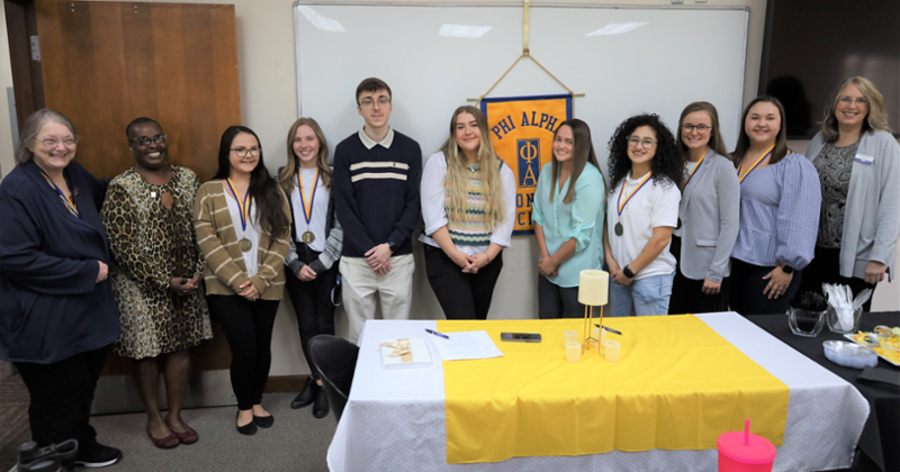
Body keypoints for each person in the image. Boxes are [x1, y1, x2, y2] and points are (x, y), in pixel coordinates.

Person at [0, 109, 122, 468]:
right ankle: (49, 459)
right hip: (44, 317)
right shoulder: (17, 190)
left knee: (81, 388)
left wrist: (144, 179)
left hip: (86, 313)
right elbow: (15, 259)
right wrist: (86, 271)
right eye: (50, 140)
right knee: (56, 397)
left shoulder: (72, 174)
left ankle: (80, 445)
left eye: (68, 139)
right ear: (29, 144)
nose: (61, 147)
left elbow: (104, 189)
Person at [101, 117, 212, 448]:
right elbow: (120, 244)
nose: (152, 145)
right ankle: (153, 417)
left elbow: (204, 227)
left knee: (180, 346)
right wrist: (163, 281)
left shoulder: (188, 179)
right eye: (143, 141)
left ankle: (175, 415)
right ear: (131, 146)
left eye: (157, 138)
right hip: (140, 286)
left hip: (187, 280)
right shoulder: (122, 187)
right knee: (146, 352)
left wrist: (197, 273)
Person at [194, 126, 291, 435]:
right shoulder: (209, 191)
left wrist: (260, 281)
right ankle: (244, 407)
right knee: (245, 347)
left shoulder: (272, 189)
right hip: (225, 286)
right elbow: (206, 240)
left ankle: (258, 401)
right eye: (240, 149)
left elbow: (283, 237)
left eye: (254, 149)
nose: (248, 155)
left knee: (262, 346)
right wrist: (238, 281)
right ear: (227, 154)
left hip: (268, 284)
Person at [333, 78, 422, 343]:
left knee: (398, 338)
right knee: (361, 337)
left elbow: (413, 205)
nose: (376, 107)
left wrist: (389, 246)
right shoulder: (345, 150)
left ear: (390, 106)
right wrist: (370, 251)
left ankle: (394, 385)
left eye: (382, 100)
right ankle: (363, 385)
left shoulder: (410, 149)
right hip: (357, 261)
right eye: (368, 102)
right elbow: (344, 208)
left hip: (397, 259)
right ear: (359, 109)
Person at [800, 77, 899, 312]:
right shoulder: (820, 140)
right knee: (808, 319)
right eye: (845, 99)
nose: (851, 106)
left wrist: (879, 257)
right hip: (814, 254)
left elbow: (892, 204)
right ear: (835, 104)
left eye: (860, 100)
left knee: (845, 327)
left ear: (870, 106)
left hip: (859, 257)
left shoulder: (883, 143)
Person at [420, 106, 515, 320]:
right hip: (444, 255)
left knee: (479, 323)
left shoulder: (501, 170)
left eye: (473, 125)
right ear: (454, 134)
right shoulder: (439, 163)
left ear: (483, 130)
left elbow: (505, 219)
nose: (467, 132)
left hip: (486, 259)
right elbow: (433, 217)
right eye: (460, 127)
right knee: (463, 322)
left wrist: (487, 257)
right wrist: (455, 255)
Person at [728, 96, 821, 315]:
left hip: (770, 269)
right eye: (754, 117)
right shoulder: (732, 160)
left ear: (780, 125)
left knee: (761, 334)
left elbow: (801, 220)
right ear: (745, 123)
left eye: (770, 118)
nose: (761, 123)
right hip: (734, 263)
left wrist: (787, 267)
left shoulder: (794, 165)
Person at [278, 118, 343, 418]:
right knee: (305, 325)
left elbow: (342, 224)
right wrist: (294, 263)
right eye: (298, 140)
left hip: (326, 259)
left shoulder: (334, 177)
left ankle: (324, 383)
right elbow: (277, 227)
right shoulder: (281, 180)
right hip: (294, 261)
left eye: (309, 139)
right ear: (292, 146)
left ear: (320, 142)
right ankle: (317, 381)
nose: (304, 145)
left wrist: (321, 263)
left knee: (325, 325)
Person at [604, 114, 682, 317]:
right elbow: (609, 223)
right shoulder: (620, 183)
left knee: (651, 342)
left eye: (648, 141)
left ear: (659, 148)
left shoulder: (665, 188)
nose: (639, 146)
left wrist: (631, 271)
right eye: (634, 140)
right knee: (621, 340)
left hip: (650, 277)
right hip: (619, 276)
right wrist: (610, 259)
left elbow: (661, 239)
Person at [668, 102, 740, 314]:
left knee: (704, 334)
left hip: (705, 265)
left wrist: (716, 271)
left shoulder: (723, 167)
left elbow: (730, 224)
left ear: (713, 131)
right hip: (673, 255)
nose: (694, 132)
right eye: (688, 126)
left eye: (702, 127)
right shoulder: (673, 163)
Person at [532, 119, 606, 318]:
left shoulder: (590, 178)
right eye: (558, 139)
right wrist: (546, 259)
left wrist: (553, 261)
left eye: (569, 142)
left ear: (581, 146)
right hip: (547, 270)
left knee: (579, 336)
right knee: (547, 331)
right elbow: (537, 215)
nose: (561, 146)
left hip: (579, 274)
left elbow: (581, 234)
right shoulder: (548, 170)